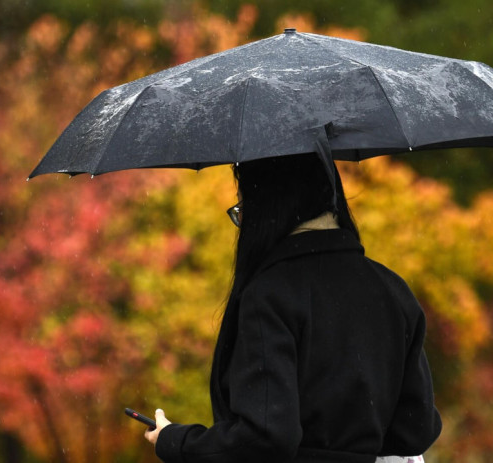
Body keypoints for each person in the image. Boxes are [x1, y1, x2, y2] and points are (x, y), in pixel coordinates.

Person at [143, 152, 442, 463]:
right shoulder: (391, 288)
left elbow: (265, 437)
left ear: (268, 206)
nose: (242, 221)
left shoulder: (270, 296)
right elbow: (415, 429)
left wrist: (176, 441)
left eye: (243, 207)